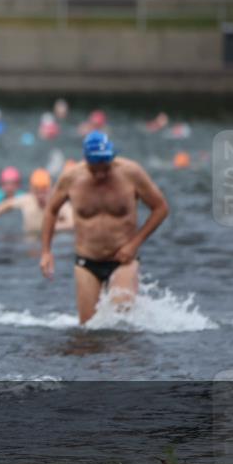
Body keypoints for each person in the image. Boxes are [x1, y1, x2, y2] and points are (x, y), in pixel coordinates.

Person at [40, 132, 169, 324]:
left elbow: (161, 208)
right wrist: (46, 251)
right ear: (86, 161)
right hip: (87, 262)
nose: (100, 174)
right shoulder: (71, 178)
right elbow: (51, 210)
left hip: (123, 260)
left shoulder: (131, 173)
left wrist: (135, 243)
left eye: (105, 168)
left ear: (112, 157)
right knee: (89, 330)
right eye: (95, 169)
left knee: (120, 322)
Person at [0, 168, 73, 236]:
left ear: (50, 189)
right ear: (31, 190)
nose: (41, 196)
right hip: (29, 238)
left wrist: (54, 226)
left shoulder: (59, 203)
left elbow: (73, 222)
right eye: (37, 192)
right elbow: (7, 204)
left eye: (44, 192)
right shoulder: (27, 200)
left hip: (52, 239)